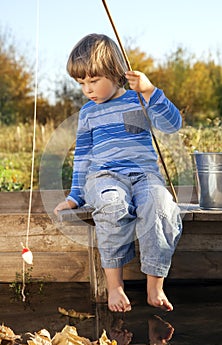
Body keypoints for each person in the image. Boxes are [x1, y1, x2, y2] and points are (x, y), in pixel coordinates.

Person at [54, 33, 182, 313]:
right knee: (111, 206)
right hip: (105, 178)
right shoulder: (89, 113)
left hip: (144, 176)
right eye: (81, 83)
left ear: (115, 73)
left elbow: (173, 125)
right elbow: (83, 157)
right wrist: (76, 196)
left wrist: (150, 91)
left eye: (93, 80)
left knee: (160, 206)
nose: (87, 89)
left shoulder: (138, 101)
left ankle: (154, 284)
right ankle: (115, 286)